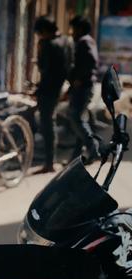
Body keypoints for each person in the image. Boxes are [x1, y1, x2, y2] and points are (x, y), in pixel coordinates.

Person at [33, 16, 73, 173]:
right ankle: (50, 160)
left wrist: (40, 50)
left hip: (48, 90)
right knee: (50, 122)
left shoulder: (48, 45)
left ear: (44, 31)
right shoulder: (66, 41)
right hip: (58, 88)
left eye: (40, 34)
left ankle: (49, 163)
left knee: (48, 125)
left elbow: (45, 69)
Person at [67, 15, 100, 163]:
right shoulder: (86, 41)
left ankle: (94, 149)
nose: (72, 32)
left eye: (73, 28)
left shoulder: (84, 41)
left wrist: (79, 79)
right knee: (78, 120)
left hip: (83, 86)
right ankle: (76, 158)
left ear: (79, 29)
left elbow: (90, 62)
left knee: (76, 119)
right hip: (83, 86)